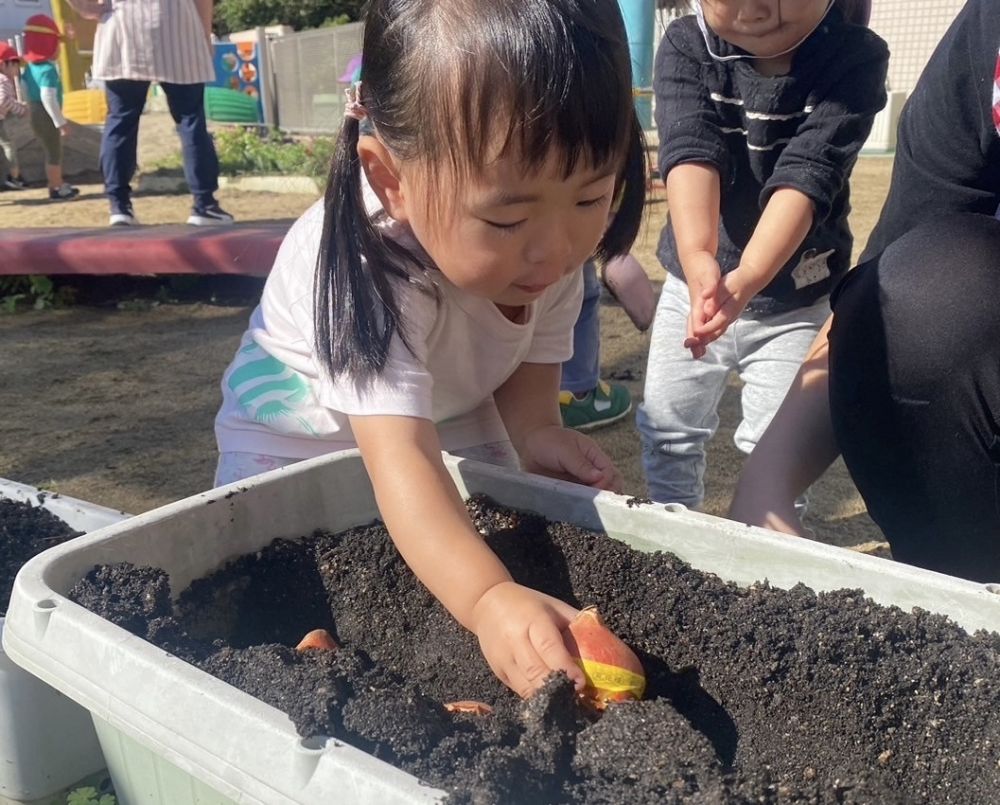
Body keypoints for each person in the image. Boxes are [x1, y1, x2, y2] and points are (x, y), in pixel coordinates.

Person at [213, 0, 646, 697]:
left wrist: (539, 437)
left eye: (591, 197)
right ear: (392, 180)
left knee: (484, 555)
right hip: (298, 445)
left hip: (442, 412)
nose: (556, 246)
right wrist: (484, 600)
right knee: (288, 604)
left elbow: (526, 389)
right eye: (507, 215)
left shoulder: (550, 252)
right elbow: (401, 462)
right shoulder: (368, 262)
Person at [730, 0, 1000, 584]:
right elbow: (888, 296)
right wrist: (764, 483)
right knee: (924, 294)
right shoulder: (988, 36)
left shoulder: (849, 62)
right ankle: (965, 597)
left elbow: (809, 170)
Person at [636, 0, 887, 508]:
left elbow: (808, 172)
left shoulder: (854, 58)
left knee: (776, 450)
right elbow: (689, 149)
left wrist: (749, 272)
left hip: (796, 301)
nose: (755, 7)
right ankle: (672, 536)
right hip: (694, 288)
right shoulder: (688, 45)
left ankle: (768, 550)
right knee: (669, 429)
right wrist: (697, 254)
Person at [66, 0, 232, 227]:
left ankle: (119, 206)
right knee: (190, 119)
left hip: (123, 24)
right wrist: (204, 33)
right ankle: (204, 204)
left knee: (121, 119)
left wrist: (83, 7)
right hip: (177, 25)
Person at [20, 15, 79, 201]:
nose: (59, 49)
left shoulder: (29, 68)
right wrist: (60, 122)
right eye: (57, 44)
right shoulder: (48, 70)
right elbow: (48, 98)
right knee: (54, 153)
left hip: (35, 114)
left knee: (49, 151)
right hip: (46, 116)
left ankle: (54, 185)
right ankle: (57, 187)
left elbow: (23, 89)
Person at [0, 42, 28, 191]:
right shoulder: (3, 80)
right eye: (14, 64)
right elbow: (3, 100)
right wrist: (20, 109)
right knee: (8, 145)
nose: (17, 69)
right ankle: (15, 177)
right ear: (3, 65)